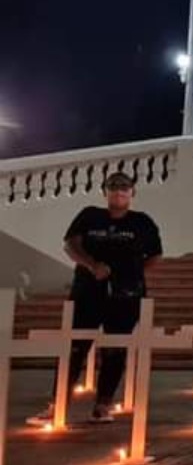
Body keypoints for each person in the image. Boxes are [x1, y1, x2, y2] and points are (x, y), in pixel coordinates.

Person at [27, 171, 163, 426]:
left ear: (132, 193)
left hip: (125, 296)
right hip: (88, 292)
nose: (119, 191)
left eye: (124, 187)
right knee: (74, 347)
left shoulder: (142, 222)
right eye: (113, 187)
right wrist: (92, 265)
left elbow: (155, 255)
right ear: (105, 191)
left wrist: (131, 275)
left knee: (115, 349)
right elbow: (71, 244)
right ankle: (57, 405)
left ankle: (103, 405)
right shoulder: (90, 215)